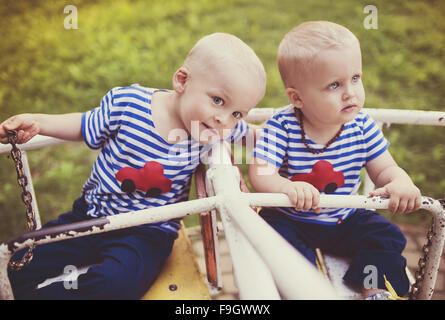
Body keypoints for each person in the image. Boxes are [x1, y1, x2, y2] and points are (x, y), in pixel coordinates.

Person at [0, 32, 266, 299]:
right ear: (182, 80)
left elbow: (259, 135)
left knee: (114, 284)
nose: (224, 120)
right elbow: (82, 125)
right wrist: (38, 122)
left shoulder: (212, 128)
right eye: (218, 100)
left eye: (236, 113)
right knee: (18, 265)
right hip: (92, 213)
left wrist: (291, 133)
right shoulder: (128, 104)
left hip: (148, 232)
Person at [248, 21, 421, 300]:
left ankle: (374, 286)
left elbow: (385, 169)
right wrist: (287, 188)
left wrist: (400, 181)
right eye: (334, 85)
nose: (350, 92)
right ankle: (306, 288)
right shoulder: (282, 126)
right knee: (272, 236)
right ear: (297, 97)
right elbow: (261, 174)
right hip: (292, 217)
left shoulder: (362, 126)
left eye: (355, 78)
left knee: (385, 235)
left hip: (344, 218)